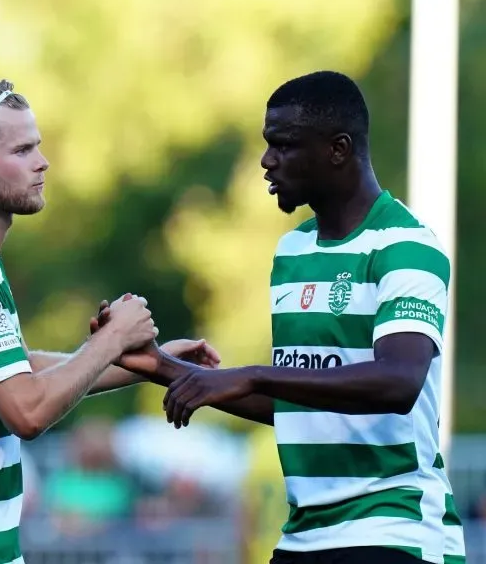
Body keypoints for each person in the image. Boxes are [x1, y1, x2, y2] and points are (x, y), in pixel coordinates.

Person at [96, 71, 465, 564]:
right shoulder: (293, 250)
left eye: (284, 145)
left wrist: (250, 375)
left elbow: (399, 382)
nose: (267, 161)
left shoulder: (406, 247)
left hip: (392, 530)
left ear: (338, 149)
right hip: (303, 538)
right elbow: (299, 403)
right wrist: (160, 366)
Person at [0, 78, 218, 563]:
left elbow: (19, 370)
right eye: (22, 150)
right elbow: (27, 412)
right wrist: (113, 337)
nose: (43, 162)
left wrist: (144, 363)